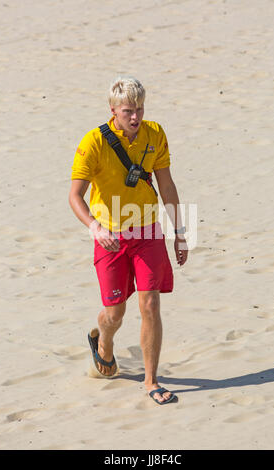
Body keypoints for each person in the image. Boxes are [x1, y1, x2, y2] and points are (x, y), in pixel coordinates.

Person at [69, 76, 188, 405]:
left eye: (139, 109)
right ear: (113, 111)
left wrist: (179, 233)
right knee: (114, 314)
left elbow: (166, 185)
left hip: (148, 231)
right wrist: (94, 227)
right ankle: (103, 341)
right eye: (127, 111)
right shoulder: (93, 142)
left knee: (150, 304)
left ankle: (151, 380)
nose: (135, 117)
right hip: (110, 237)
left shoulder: (155, 134)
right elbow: (75, 196)